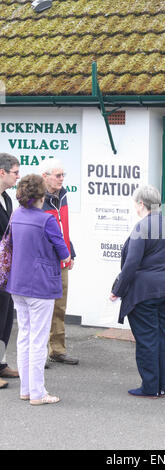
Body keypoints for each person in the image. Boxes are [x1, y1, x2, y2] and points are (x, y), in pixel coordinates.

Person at [110, 185, 165, 398]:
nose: (135, 207)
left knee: (147, 339)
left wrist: (117, 290)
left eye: (135, 203)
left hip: (145, 292)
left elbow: (131, 264)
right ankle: (162, 385)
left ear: (141, 204)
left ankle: (150, 386)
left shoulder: (142, 228)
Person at [6, 174, 70, 405]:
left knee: (24, 336)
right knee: (38, 339)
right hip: (40, 285)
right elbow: (63, 251)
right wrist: (66, 258)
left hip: (17, 283)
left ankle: (26, 389)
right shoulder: (46, 220)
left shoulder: (16, 215)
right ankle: (38, 393)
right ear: (41, 195)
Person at [40, 159, 78, 365]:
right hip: (45, 262)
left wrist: (70, 252)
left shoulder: (62, 195)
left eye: (63, 175)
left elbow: (62, 229)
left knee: (60, 307)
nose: (62, 179)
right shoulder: (36, 199)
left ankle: (57, 349)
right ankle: (42, 353)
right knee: (44, 308)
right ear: (45, 177)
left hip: (62, 260)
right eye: (58, 175)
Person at [0, 153, 20, 390]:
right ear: (2, 172)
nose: (18, 176)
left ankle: (2, 362)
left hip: (5, 269)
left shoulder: (7, 198)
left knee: (5, 317)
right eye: (15, 172)